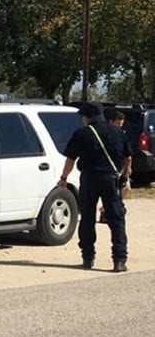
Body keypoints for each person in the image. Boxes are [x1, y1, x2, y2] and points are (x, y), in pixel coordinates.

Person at [58, 102, 131, 272]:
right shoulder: (118, 132)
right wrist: (124, 176)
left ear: (86, 117)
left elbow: (70, 159)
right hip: (111, 179)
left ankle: (88, 258)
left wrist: (64, 178)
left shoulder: (81, 134)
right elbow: (128, 157)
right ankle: (119, 260)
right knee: (116, 219)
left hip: (90, 179)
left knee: (87, 219)